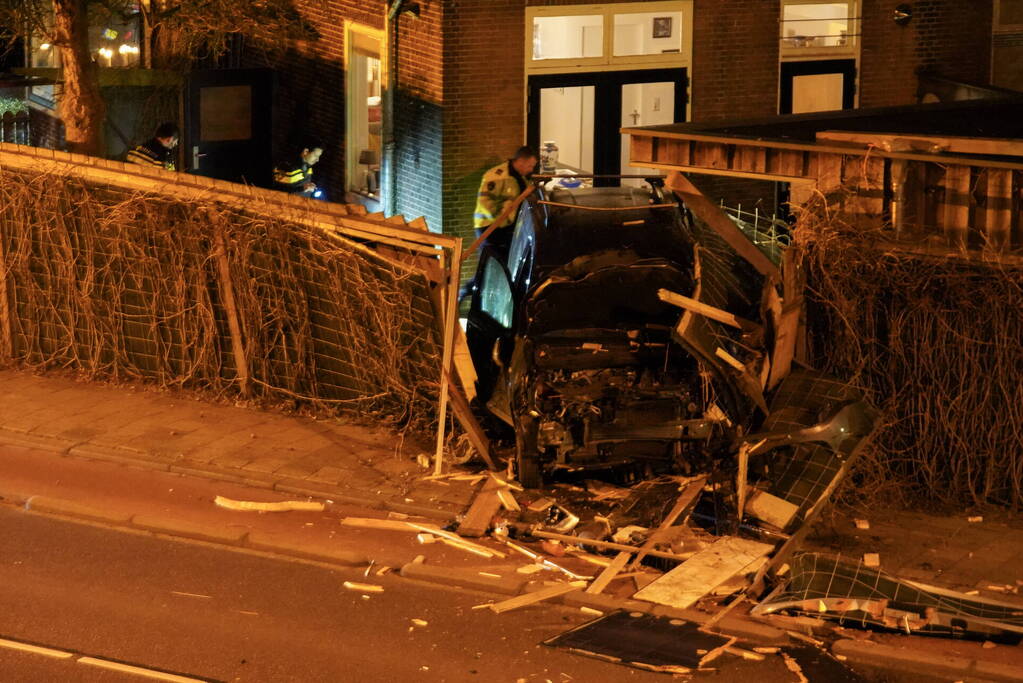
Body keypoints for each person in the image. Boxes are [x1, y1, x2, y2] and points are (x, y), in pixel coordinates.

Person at [472, 146, 538, 263]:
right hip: (490, 229)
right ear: (521, 161)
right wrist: (506, 221)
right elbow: (486, 204)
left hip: (504, 229)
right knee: (493, 266)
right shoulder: (496, 177)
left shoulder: (519, 177)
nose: (531, 170)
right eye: (530, 166)